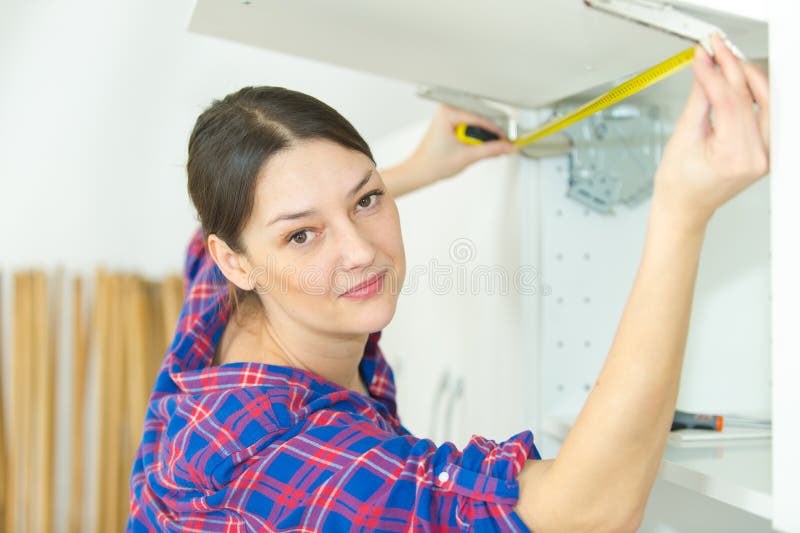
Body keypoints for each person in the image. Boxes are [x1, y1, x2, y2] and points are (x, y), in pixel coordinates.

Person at [127, 34, 769, 532]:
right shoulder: (279, 460)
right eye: (303, 235)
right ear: (235, 259)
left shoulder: (221, 311)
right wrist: (683, 213)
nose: (359, 253)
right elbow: (586, 513)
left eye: (367, 200)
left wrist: (416, 170)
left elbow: (217, 239)